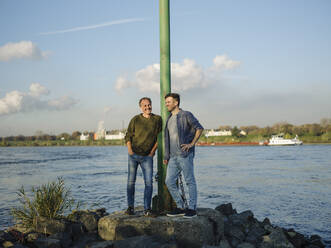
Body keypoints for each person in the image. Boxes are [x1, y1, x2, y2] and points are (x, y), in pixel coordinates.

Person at [163, 93, 204, 218]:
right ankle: (181, 207)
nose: (166, 104)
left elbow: (199, 128)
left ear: (176, 103)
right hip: (173, 157)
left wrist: (191, 144)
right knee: (169, 181)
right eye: (166, 102)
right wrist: (166, 156)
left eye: (168, 102)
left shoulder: (186, 115)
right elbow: (168, 138)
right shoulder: (169, 118)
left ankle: (192, 209)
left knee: (189, 181)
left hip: (184, 155)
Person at [124, 97, 162, 216]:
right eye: (144, 105)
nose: (147, 107)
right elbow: (128, 135)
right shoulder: (135, 119)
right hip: (133, 155)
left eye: (149, 105)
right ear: (141, 107)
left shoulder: (157, 119)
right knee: (131, 182)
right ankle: (130, 207)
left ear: (151, 105)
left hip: (147, 157)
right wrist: (130, 150)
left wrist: (152, 151)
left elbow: (159, 137)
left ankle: (147, 209)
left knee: (149, 183)